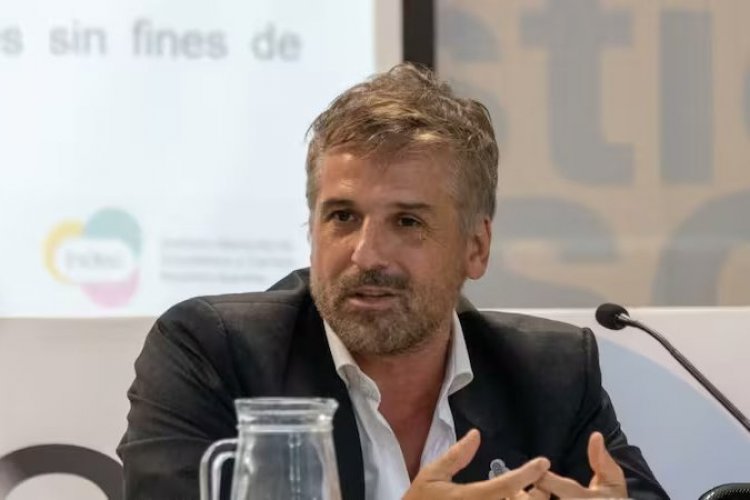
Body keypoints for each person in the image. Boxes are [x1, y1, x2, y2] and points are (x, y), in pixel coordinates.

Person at [118, 63, 669, 499]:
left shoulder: (550, 374)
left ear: (476, 247)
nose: (366, 254)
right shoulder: (215, 354)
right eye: (342, 217)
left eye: (407, 222)